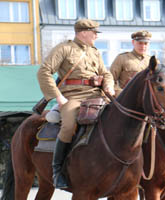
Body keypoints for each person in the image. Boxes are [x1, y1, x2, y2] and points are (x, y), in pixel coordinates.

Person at [37, 19, 115, 188]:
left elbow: (105, 73)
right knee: (68, 125)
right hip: (73, 97)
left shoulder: (95, 52)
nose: (96, 35)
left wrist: (109, 84)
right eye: (94, 32)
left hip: (97, 94)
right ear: (83, 32)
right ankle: (57, 170)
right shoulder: (64, 49)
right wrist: (58, 97)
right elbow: (44, 72)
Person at [110, 30, 152, 96]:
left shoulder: (152, 61)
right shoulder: (122, 58)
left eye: (145, 43)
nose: (143, 46)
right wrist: (120, 93)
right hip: (127, 99)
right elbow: (110, 79)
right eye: (140, 43)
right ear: (133, 42)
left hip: (146, 99)